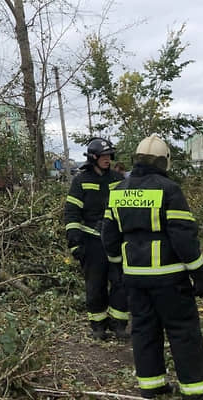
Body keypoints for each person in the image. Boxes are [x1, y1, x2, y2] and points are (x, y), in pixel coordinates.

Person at [102, 136, 203, 400]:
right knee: (183, 331)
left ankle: (152, 385)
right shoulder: (168, 189)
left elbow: (109, 237)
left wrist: (118, 268)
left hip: (134, 278)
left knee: (144, 331)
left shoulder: (117, 191)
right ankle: (198, 392)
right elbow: (183, 237)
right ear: (163, 161)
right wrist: (199, 273)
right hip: (169, 278)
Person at [63, 137, 128, 340]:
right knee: (95, 285)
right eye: (104, 156)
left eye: (110, 156)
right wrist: (75, 243)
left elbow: (126, 211)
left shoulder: (118, 180)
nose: (108, 159)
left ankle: (118, 324)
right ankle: (98, 326)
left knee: (120, 283)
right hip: (92, 243)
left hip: (115, 242)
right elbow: (72, 214)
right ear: (94, 157)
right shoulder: (80, 181)